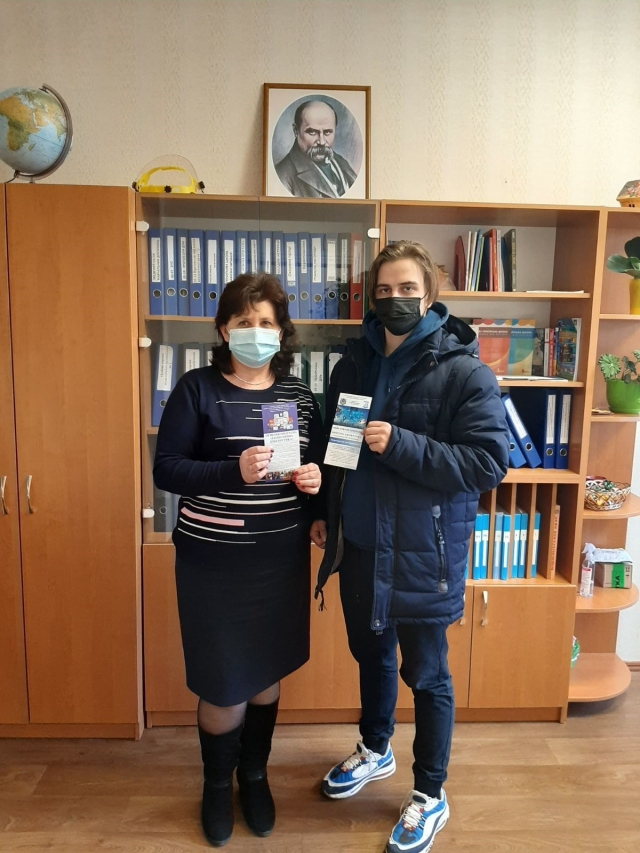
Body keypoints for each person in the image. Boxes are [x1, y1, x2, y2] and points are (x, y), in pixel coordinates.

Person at [310, 241, 510, 853]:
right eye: (383, 290)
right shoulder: (352, 365)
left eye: (406, 289)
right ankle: (376, 749)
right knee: (371, 657)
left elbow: (487, 463)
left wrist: (400, 444)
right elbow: (338, 450)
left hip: (425, 552)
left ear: (429, 296)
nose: (393, 299)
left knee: (426, 674)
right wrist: (325, 516)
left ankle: (430, 793)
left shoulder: (465, 371)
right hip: (360, 545)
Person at [153, 273, 324, 847]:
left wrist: (314, 485)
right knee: (224, 684)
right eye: (244, 321)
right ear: (224, 329)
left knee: (265, 676)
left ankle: (253, 776)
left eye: (266, 322)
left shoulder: (298, 396)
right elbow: (167, 469)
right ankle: (214, 785)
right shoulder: (197, 388)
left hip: (279, 560)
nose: (256, 331)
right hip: (214, 564)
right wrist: (233, 471)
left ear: (282, 331)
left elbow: (317, 467)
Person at [275, 99, 358, 198]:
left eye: (327, 132)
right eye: (312, 132)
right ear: (296, 130)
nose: (322, 142)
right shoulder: (283, 175)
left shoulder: (342, 162)